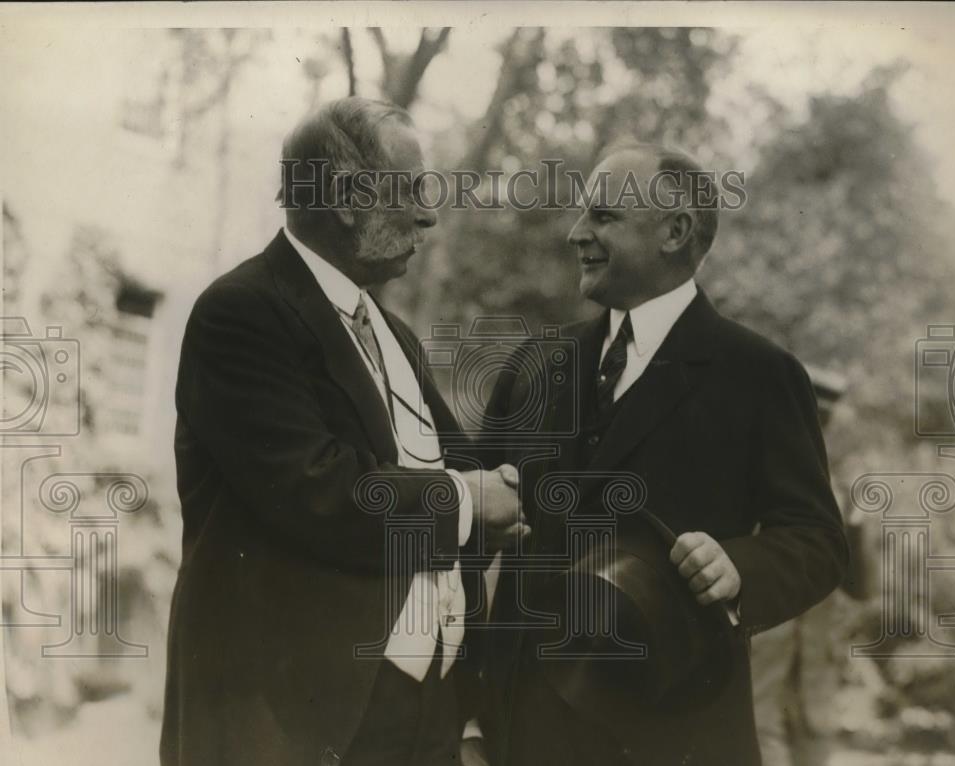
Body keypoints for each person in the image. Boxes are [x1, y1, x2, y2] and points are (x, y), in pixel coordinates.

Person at [160, 97, 525, 766]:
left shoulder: (392, 335)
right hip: (297, 721)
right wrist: (472, 502)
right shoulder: (241, 314)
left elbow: (461, 464)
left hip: (422, 709)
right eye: (412, 190)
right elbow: (318, 488)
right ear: (350, 197)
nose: (427, 214)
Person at [476, 142, 850, 766]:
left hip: (672, 736)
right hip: (522, 734)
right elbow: (468, 544)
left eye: (603, 216)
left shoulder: (759, 374)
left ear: (674, 231)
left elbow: (818, 539)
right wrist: (468, 715)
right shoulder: (532, 366)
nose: (576, 234)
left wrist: (737, 568)